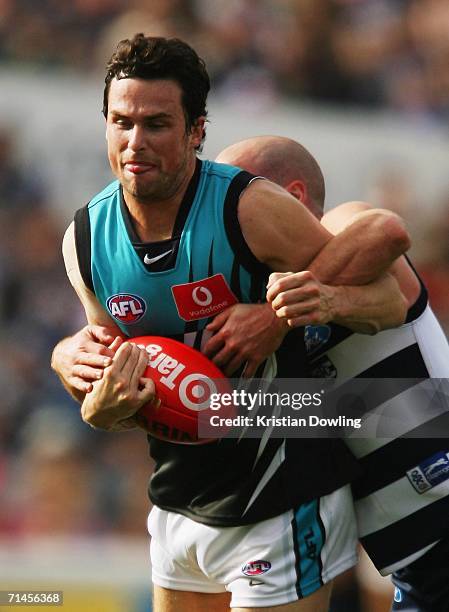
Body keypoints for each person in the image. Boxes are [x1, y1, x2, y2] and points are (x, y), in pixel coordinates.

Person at [52, 34, 412, 612]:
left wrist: (280, 313)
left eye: (157, 124)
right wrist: (96, 401)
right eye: (121, 122)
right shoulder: (86, 241)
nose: (135, 142)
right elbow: (123, 390)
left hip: (280, 498)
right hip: (174, 504)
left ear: (197, 132)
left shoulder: (248, 208)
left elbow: (387, 299)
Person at [217, 136, 449, 612]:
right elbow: (334, 415)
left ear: (294, 196)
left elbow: (386, 231)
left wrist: (288, 311)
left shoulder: (337, 225)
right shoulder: (255, 289)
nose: (222, 216)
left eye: (235, 197)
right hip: (412, 555)